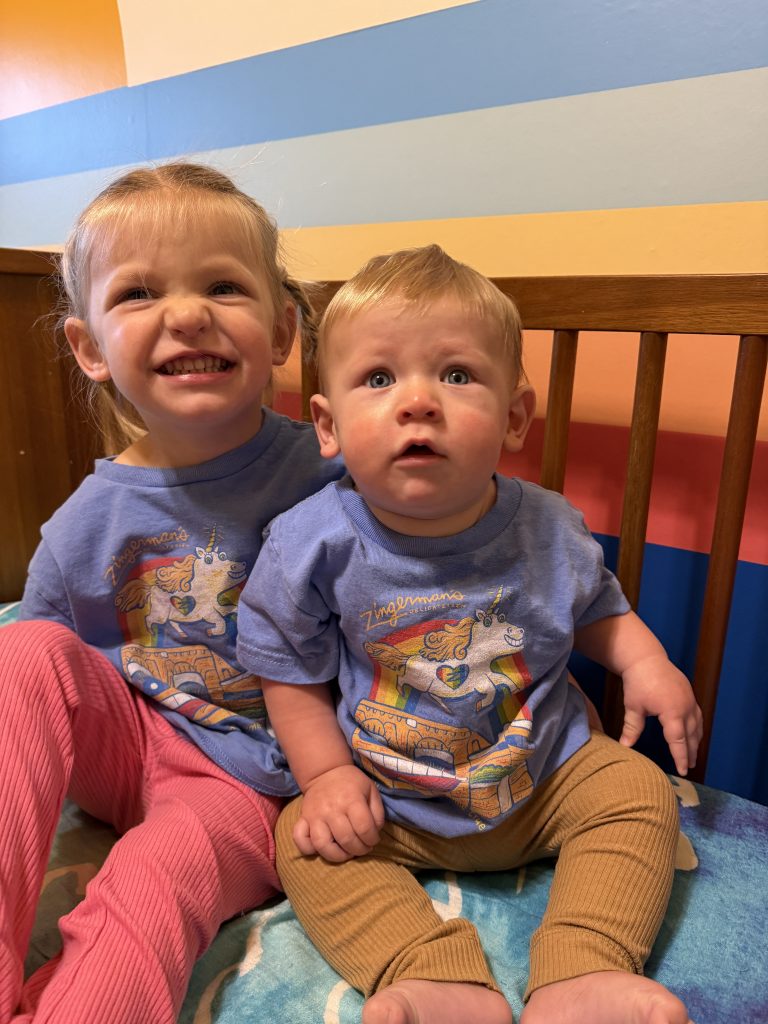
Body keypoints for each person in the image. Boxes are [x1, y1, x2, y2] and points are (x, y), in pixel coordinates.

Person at [236, 244, 703, 1024]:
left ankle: (583, 965)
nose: (417, 401)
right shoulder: (310, 542)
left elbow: (595, 609)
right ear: (328, 425)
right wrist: (324, 779)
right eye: (378, 379)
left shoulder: (547, 526)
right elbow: (284, 668)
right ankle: (431, 973)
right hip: (393, 801)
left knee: (637, 790)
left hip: (545, 779)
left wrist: (647, 662)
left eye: (456, 374)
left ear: (515, 416)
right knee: (301, 840)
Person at [0, 161, 344, 1024]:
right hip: (127, 743)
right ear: (90, 350)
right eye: (139, 293)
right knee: (23, 647)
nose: (187, 313)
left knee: (159, 873)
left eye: (222, 286)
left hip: (249, 775)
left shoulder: (331, 477)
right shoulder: (84, 521)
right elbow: (35, 692)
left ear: (281, 331)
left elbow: (441, 586)